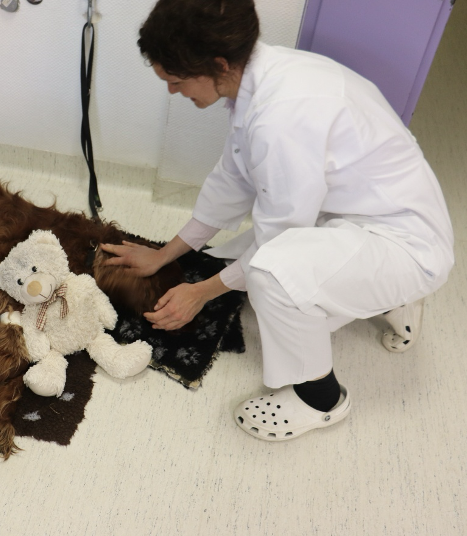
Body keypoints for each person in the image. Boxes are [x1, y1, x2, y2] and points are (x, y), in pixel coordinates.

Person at [101, 0, 454, 441]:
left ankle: (320, 399)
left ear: (219, 64)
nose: (173, 92)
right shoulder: (263, 80)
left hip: (405, 245)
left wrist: (199, 294)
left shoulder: (282, 116)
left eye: (176, 81)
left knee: (271, 275)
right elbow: (231, 180)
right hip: (359, 214)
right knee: (241, 259)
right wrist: (164, 255)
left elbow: (276, 241)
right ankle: (385, 298)